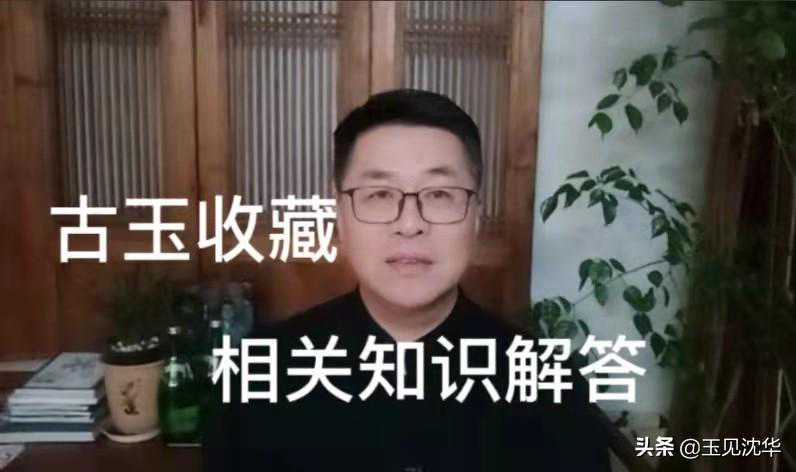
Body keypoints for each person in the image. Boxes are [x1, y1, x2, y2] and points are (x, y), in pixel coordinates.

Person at [202, 89, 611, 472]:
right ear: (340, 215)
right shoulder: (258, 375)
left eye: (439, 194)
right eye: (380, 195)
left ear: (475, 217)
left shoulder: (550, 385)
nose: (410, 223)